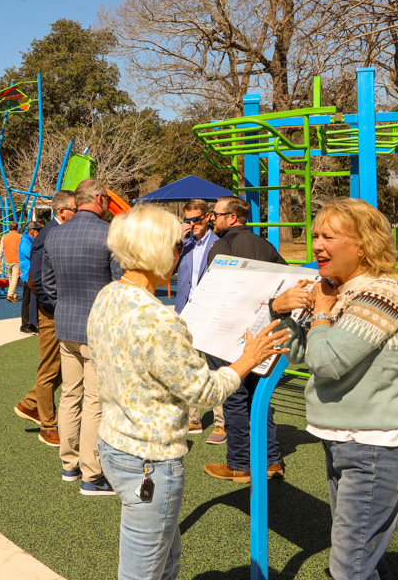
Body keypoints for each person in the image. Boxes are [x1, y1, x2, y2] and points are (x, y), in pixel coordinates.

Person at [89, 203, 289, 580]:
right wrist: (248, 359)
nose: (180, 254)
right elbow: (204, 391)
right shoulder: (157, 317)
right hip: (150, 457)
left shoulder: (109, 295)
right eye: (177, 246)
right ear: (157, 252)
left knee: (163, 558)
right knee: (143, 569)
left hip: (115, 443)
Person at [281, 198, 398, 580]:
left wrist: (321, 312)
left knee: (348, 566)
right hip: (345, 439)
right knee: (362, 558)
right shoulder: (339, 292)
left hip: (377, 444)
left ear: (363, 245)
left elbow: (327, 362)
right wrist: (286, 313)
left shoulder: (381, 295)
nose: (316, 246)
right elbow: (300, 355)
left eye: (328, 237)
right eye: (315, 236)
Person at [201, 195, 309, 483]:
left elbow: (213, 290)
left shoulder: (221, 246)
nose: (212, 218)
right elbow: (291, 281)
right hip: (265, 333)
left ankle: (239, 464)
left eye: (216, 213)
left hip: (229, 335)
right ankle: (272, 461)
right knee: (261, 396)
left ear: (232, 217)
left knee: (235, 398)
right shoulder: (266, 246)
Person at [42, 179, 123, 495]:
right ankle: (92, 474)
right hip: (97, 328)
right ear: (101, 198)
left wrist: (63, 305)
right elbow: (119, 283)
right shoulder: (108, 234)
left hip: (66, 323)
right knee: (94, 400)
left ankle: (69, 463)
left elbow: (47, 284)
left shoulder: (56, 233)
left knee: (71, 394)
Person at [14, 191, 76, 449]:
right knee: (51, 368)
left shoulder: (61, 232)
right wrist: (53, 307)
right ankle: (48, 426)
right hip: (51, 311)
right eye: (76, 209)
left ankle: (30, 403)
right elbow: (35, 279)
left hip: (62, 309)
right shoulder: (49, 234)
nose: (79, 213)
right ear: (62, 211)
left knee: (65, 366)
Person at [174, 199, 225, 444]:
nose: (191, 224)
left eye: (195, 220)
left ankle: (220, 423)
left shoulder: (220, 244)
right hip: (187, 313)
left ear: (207, 218)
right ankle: (193, 417)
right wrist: (176, 241)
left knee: (215, 369)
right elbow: (166, 268)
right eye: (188, 220)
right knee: (190, 367)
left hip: (212, 313)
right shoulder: (182, 245)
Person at [17, 223, 40, 334]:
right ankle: (25, 324)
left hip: (33, 275)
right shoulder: (25, 242)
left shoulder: (30, 241)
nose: (38, 232)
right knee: (27, 301)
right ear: (32, 231)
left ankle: (31, 323)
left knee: (33, 301)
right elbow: (33, 255)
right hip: (27, 276)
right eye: (37, 230)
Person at [0, 222, 23, 302]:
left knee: (11, 278)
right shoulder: (20, 237)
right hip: (16, 259)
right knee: (15, 278)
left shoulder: (4, 237)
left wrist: (0, 260)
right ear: (17, 228)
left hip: (8, 260)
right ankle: (10, 294)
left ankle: (14, 295)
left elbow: (1, 250)